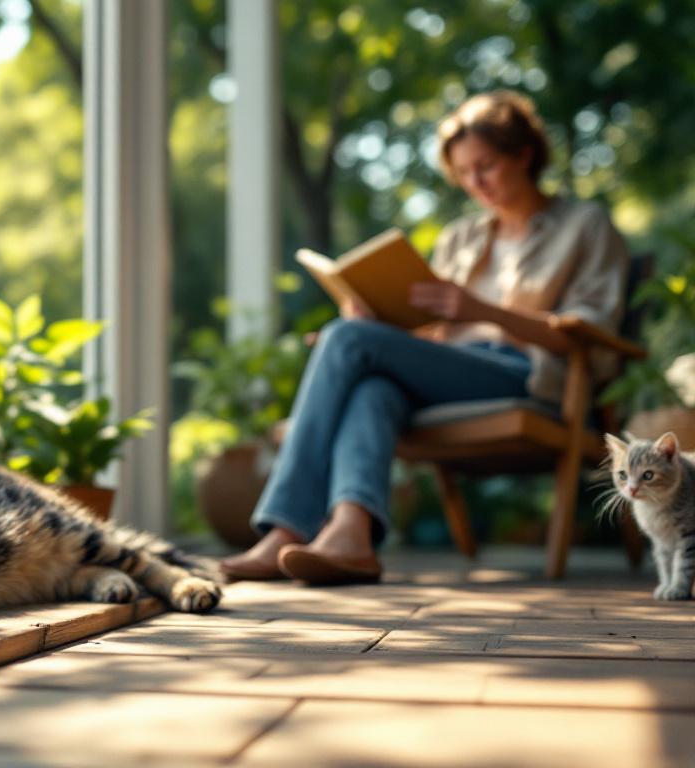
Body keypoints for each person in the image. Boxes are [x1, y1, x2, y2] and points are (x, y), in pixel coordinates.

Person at [220, 90, 630, 585]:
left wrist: (482, 311)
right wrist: (376, 319)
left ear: (523, 155)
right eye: (464, 173)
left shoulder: (585, 226)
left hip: (532, 375)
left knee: (349, 341)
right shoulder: (460, 237)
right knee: (371, 383)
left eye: (487, 166)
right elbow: (428, 329)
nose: (475, 183)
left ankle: (286, 529)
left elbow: (592, 331)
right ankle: (351, 535)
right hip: (452, 369)